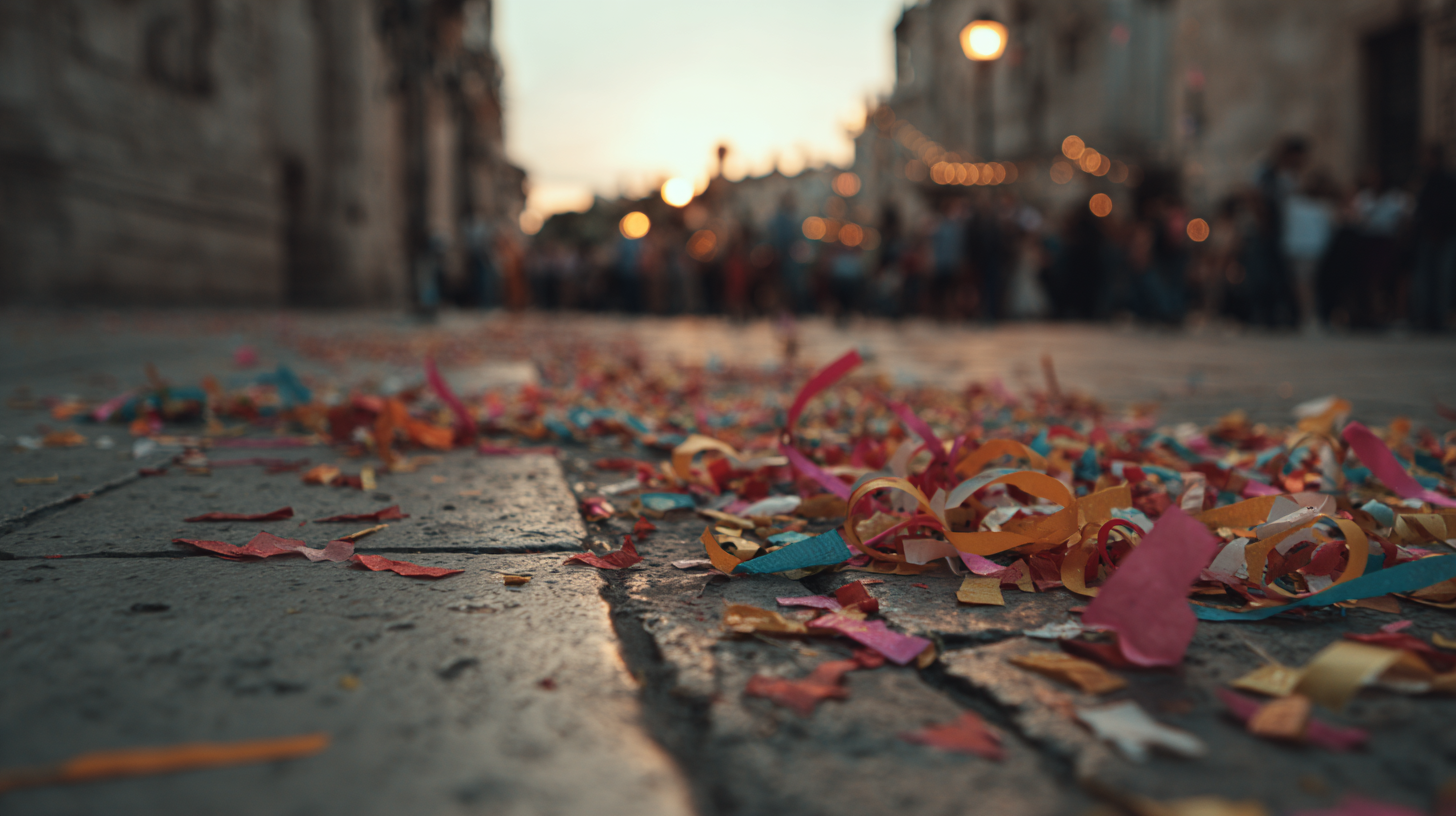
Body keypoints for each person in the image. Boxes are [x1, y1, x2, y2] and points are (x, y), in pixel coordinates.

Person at [1282, 172, 1338, 333]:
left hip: (1308, 250)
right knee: (1304, 284)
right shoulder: (1296, 203)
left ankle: (1309, 317)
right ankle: (1309, 316)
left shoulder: (1317, 206)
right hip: (1304, 249)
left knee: (1304, 284)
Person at [1410, 145, 1456, 331]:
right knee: (1426, 278)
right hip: (1427, 236)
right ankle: (1427, 317)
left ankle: (1440, 317)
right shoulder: (1424, 180)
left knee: (1443, 278)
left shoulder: (1447, 181)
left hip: (1445, 236)